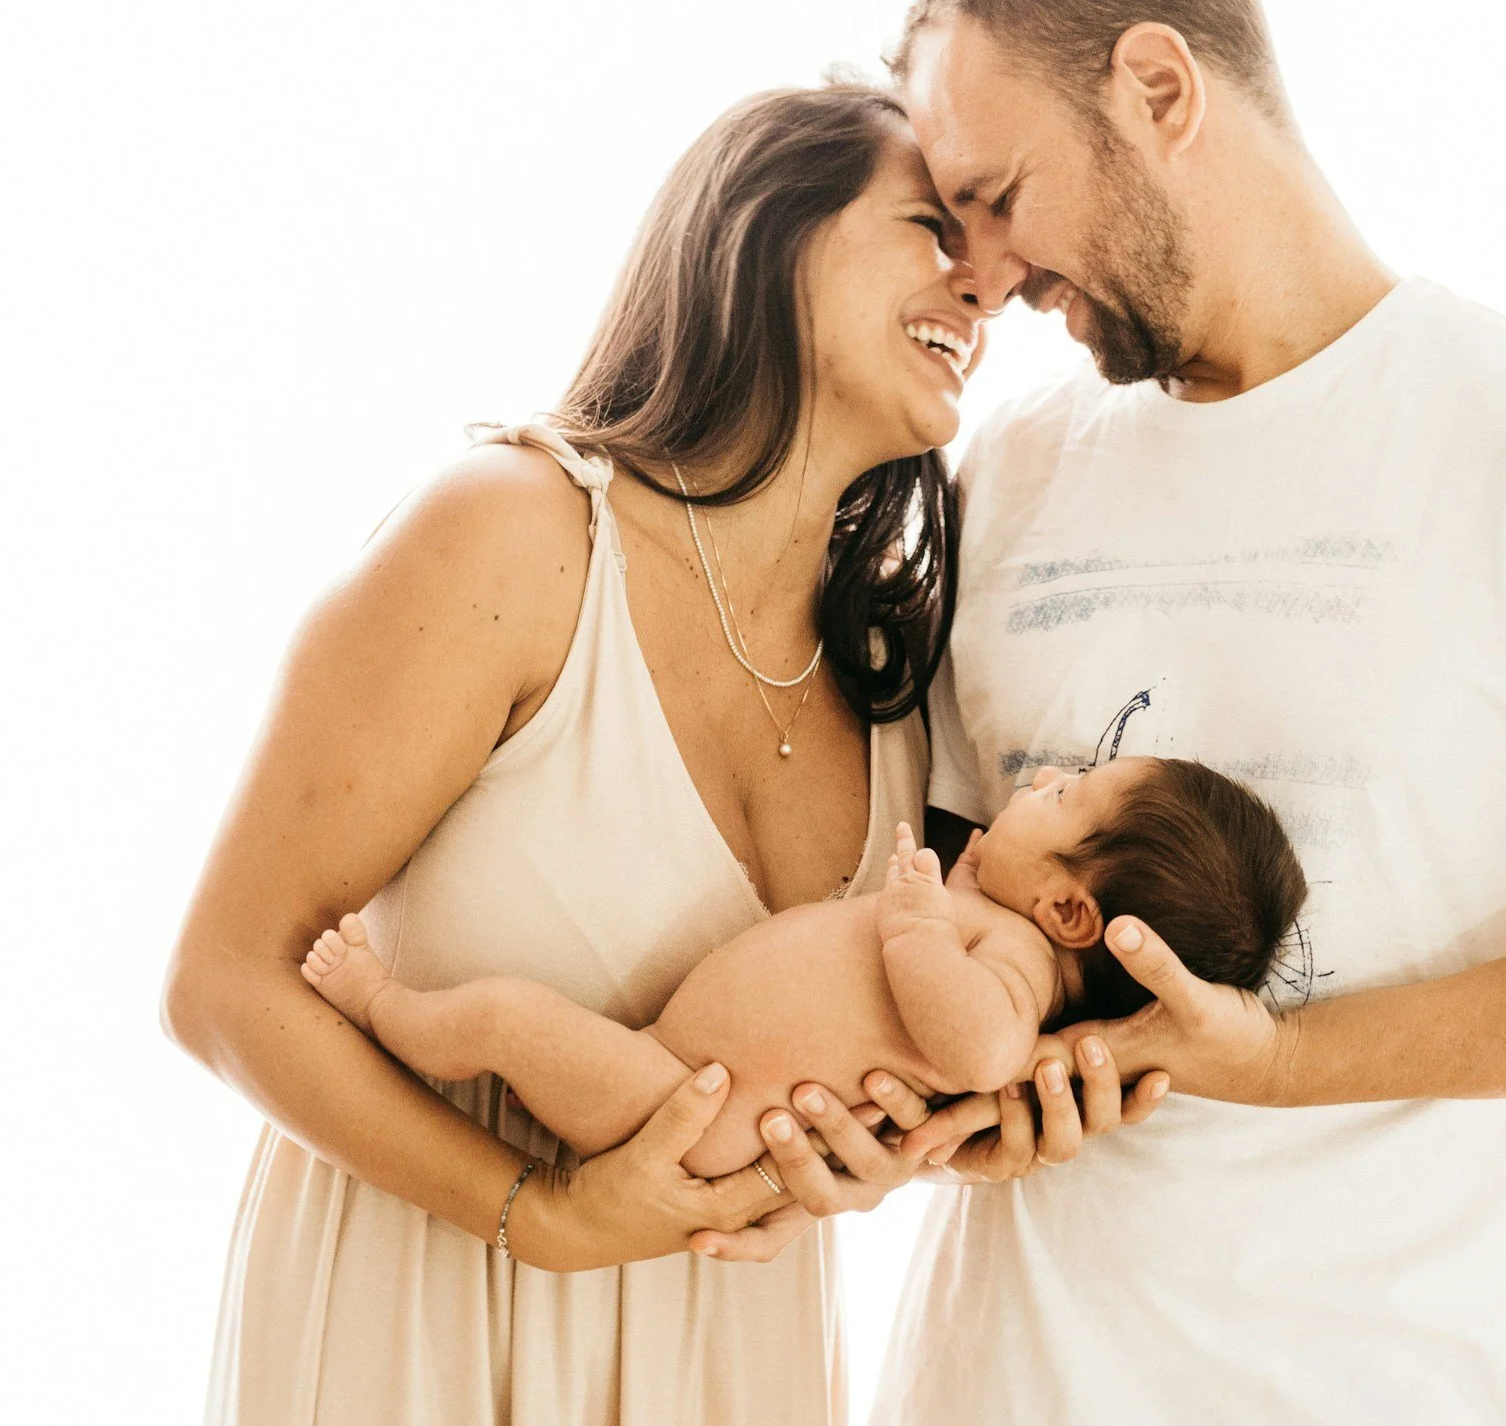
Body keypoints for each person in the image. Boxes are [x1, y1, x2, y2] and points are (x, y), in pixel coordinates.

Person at [879, 0, 1506, 1425]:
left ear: (1159, 88)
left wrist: (1272, 1057)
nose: (984, 272)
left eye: (1000, 195)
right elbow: (924, 897)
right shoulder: (1013, 470)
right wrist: (932, 1097)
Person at [162, 83, 1003, 1425]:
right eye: (929, 226)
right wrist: (536, 1215)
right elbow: (219, 982)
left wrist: (863, 1158)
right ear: (765, 232)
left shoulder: (905, 684)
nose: (984, 287)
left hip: (731, 1341)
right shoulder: (512, 538)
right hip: (434, 1315)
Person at [297, 761, 1305, 1178]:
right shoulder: (997, 918)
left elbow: (984, 1045)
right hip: (675, 1076)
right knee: (521, 1021)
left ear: (1071, 912)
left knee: (508, 1020)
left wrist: (914, 921)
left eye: (1068, 791)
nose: (1038, 778)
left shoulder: (1014, 970)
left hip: (687, 1111)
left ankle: (379, 1001)